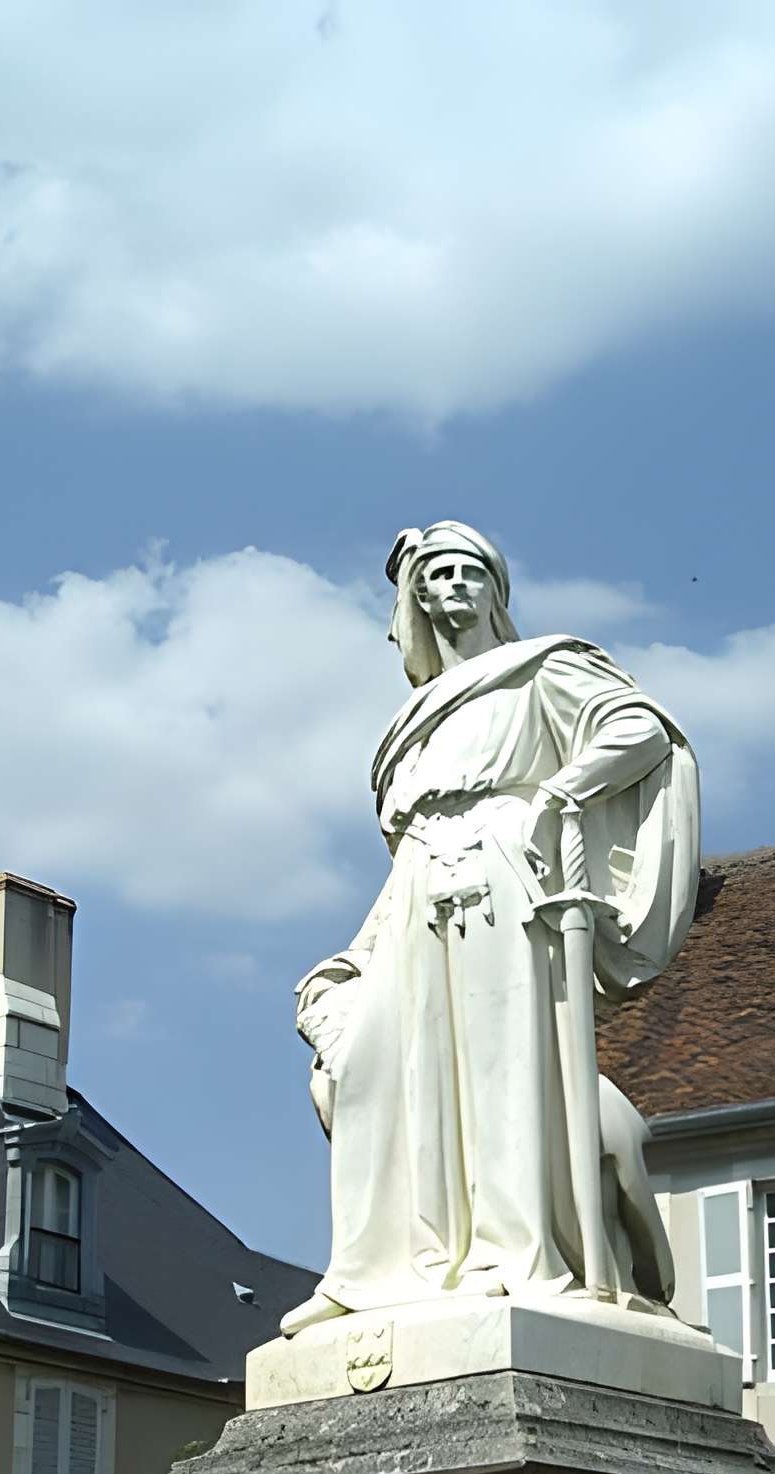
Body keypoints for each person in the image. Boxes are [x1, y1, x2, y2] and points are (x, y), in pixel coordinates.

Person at [283, 520, 700, 1334]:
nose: (455, 586)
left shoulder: (540, 669)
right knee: (377, 1061)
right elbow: (404, 842)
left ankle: (512, 1252)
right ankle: (373, 1265)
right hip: (416, 882)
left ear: (496, 589)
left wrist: (559, 794)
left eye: (472, 571)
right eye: (437, 573)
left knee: (501, 1062)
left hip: (504, 865)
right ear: (416, 596)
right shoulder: (407, 722)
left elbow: (639, 731)